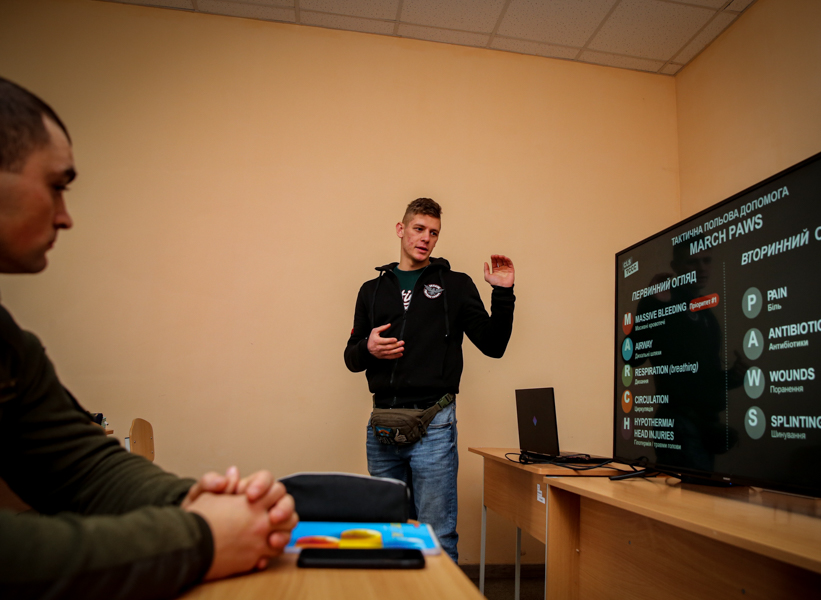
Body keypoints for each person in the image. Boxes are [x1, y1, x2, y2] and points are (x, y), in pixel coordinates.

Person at [0, 76, 298, 599]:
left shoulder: (8, 347)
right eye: (56, 186)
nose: (66, 217)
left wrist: (198, 502)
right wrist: (202, 536)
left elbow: (82, 468)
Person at [344, 197, 515, 562]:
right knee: (390, 534)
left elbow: (494, 345)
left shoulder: (455, 285)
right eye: (419, 229)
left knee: (437, 536)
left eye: (433, 233)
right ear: (401, 229)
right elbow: (351, 358)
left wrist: (502, 293)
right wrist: (368, 349)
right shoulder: (371, 290)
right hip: (383, 427)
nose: (425, 238)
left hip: (434, 425)